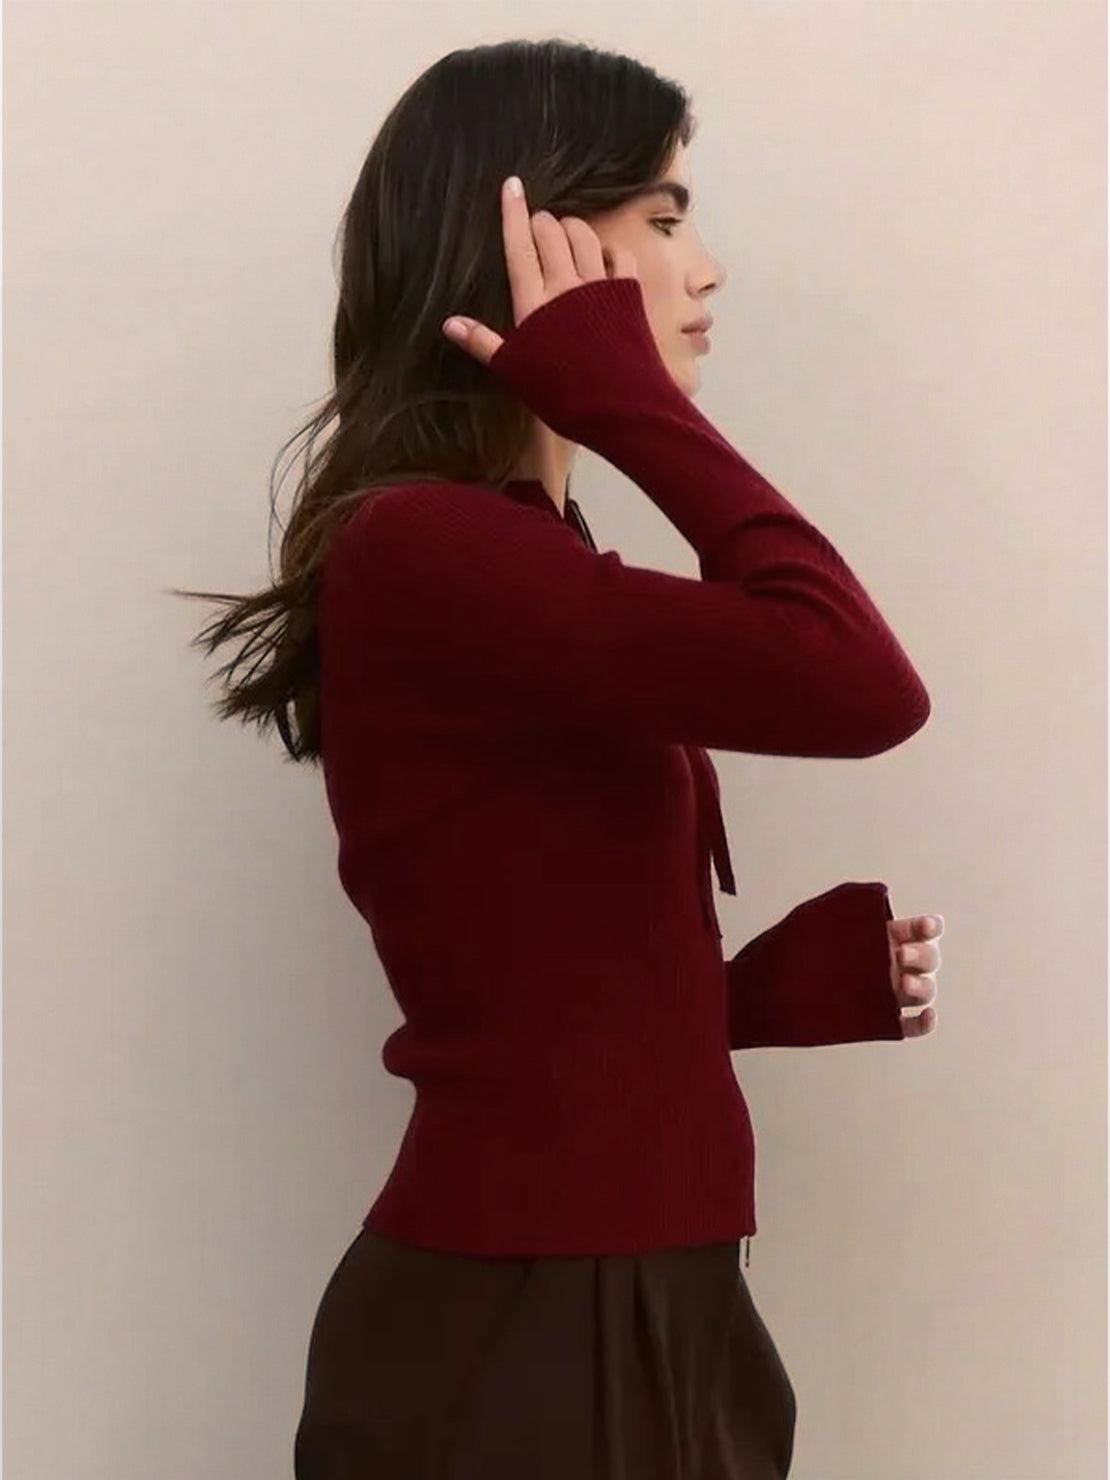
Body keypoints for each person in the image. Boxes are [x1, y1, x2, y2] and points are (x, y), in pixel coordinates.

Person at [173, 36, 943, 1480]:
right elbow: (860, 680)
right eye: (664, 216)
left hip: (619, 1291)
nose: (706, 268)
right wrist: (627, 401)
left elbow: (519, 977)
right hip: (534, 1318)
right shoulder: (430, 548)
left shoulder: (506, 552)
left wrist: (734, 1003)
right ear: (528, 241)